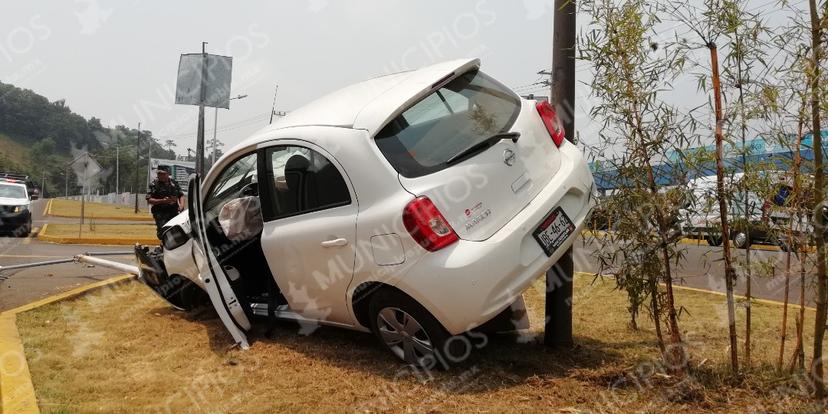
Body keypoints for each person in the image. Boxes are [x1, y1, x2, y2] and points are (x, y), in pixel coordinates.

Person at [146, 167, 184, 240]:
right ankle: (164, 246)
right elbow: (149, 200)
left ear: (168, 174)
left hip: (173, 212)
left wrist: (181, 206)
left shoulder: (174, 183)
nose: (161, 176)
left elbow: (181, 195)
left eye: (163, 174)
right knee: (163, 231)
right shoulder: (154, 184)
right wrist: (162, 201)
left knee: (175, 231)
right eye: (159, 174)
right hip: (160, 213)